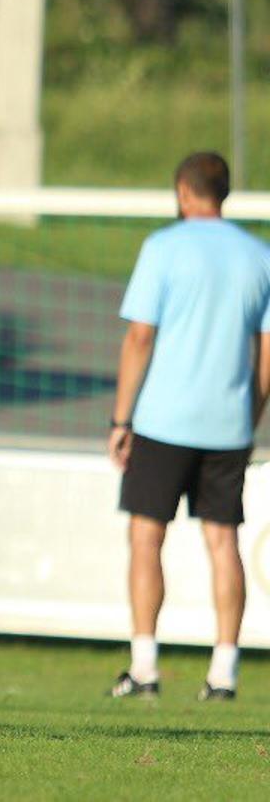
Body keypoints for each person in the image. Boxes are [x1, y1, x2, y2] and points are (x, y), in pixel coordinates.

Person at [107, 151, 270, 701]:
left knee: (146, 535)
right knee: (223, 541)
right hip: (229, 422)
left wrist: (121, 418)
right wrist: (250, 414)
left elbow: (139, 337)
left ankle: (145, 668)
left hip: (163, 419)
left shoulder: (163, 248)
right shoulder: (258, 254)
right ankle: (223, 673)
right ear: (224, 192)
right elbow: (267, 351)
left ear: (183, 191)